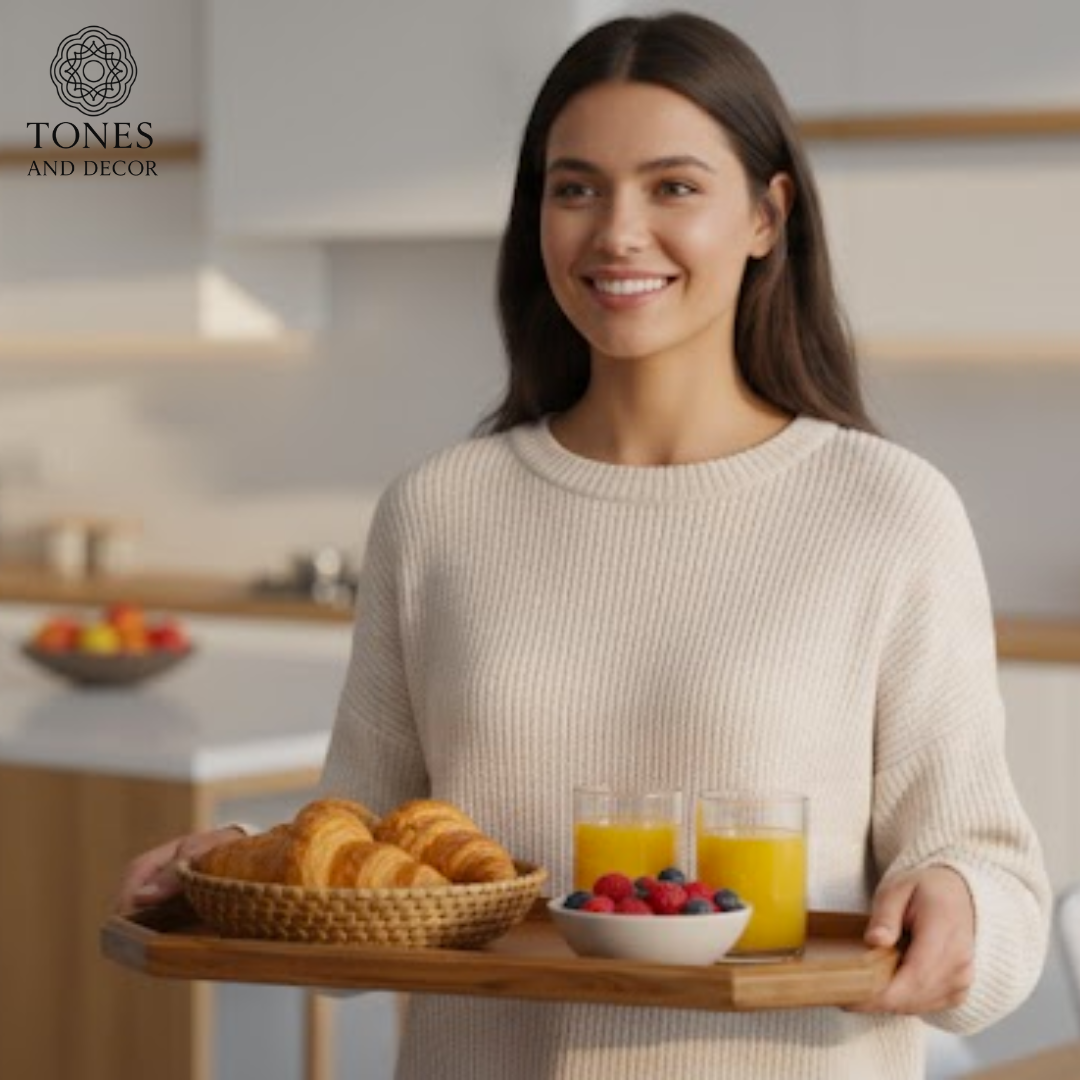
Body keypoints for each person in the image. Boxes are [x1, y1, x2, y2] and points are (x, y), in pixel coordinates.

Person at [118, 12, 1050, 1079]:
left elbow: (998, 889)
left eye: (674, 187)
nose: (616, 232)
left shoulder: (886, 511)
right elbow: (362, 883)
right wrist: (241, 873)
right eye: (575, 188)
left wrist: (960, 907)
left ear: (766, 214)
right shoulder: (439, 512)